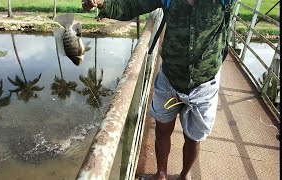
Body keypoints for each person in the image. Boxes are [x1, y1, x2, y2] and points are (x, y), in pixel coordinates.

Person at [82, 0, 234, 179]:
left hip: (204, 85)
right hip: (169, 80)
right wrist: (102, 4)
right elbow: (131, 6)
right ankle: (160, 174)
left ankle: (184, 175)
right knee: (162, 130)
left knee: (194, 138)